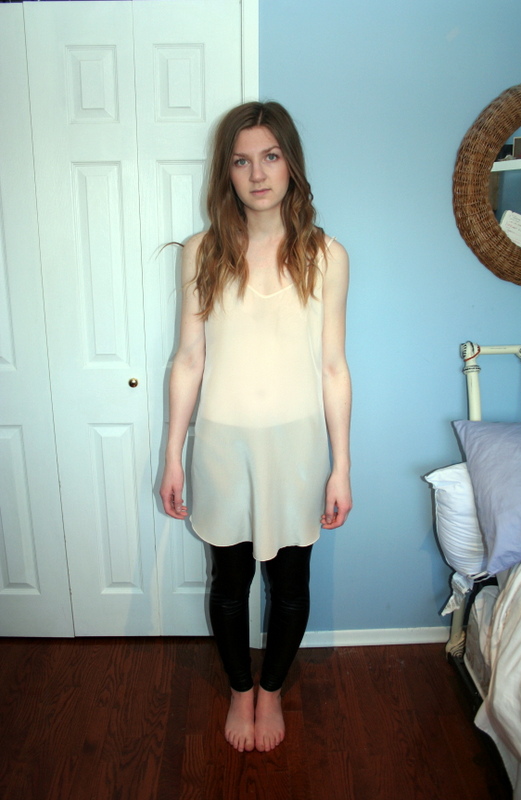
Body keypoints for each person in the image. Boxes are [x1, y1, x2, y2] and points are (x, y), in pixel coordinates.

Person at [160, 101, 352, 754]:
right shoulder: (202, 252)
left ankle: (272, 691)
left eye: (270, 156)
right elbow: (188, 360)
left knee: (290, 585)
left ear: (291, 162)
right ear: (227, 172)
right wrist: (173, 455)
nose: (258, 174)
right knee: (230, 582)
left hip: (298, 450)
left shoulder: (326, 256)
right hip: (220, 447)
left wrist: (341, 466)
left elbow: (333, 367)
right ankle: (240, 690)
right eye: (242, 161)